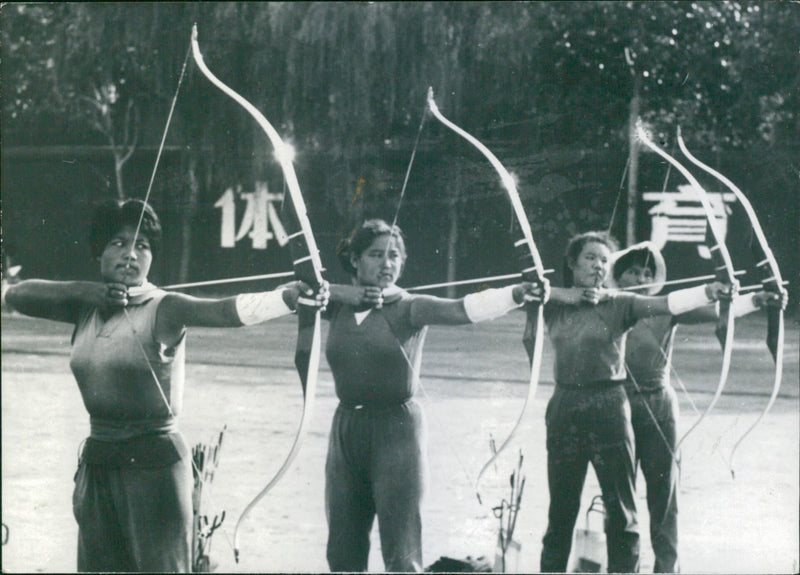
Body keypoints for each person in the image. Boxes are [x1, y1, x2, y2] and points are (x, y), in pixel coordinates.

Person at [5, 199, 328, 573]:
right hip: (99, 465)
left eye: (142, 246)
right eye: (118, 243)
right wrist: (86, 292)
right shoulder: (84, 306)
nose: (130, 254)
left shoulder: (165, 306)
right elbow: (16, 294)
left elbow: (223, 310)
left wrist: (286, 299)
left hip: (154, 467)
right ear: (99, 252)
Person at [322, 218, 546, 572]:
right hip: (346, 427)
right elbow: (297, 290)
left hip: (396, 430)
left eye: (394, 255)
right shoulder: (334, 305)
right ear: (354, 259)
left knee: (401, 547)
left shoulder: (410, 306)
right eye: (376, 255)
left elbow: (462, 309)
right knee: (342, 547)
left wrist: (516, 294)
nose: (387, 264)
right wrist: (339, 292)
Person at [536, 231, 734, 573]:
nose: (598, 265)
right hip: (564, 406)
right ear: (571, 263)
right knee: (561, 512)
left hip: (610, 407)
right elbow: (526, 295)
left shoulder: (622, 302)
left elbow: (665, 304)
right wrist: (563, 294)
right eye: (590, 258)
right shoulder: (551, 303)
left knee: (621, 513)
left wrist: (708, 291)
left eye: (603, 260)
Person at [605, 241, 787, 573]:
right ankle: (623, 567)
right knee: (619, 494)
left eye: (647, 272)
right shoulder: (608, 305)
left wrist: (757, 300)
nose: (641, 277)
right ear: (619, 276)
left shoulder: (666, 306)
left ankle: (666, 567)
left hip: (658, 403)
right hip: (615, 404)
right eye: (632, 271)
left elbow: (716, 311)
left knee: (664, 493)